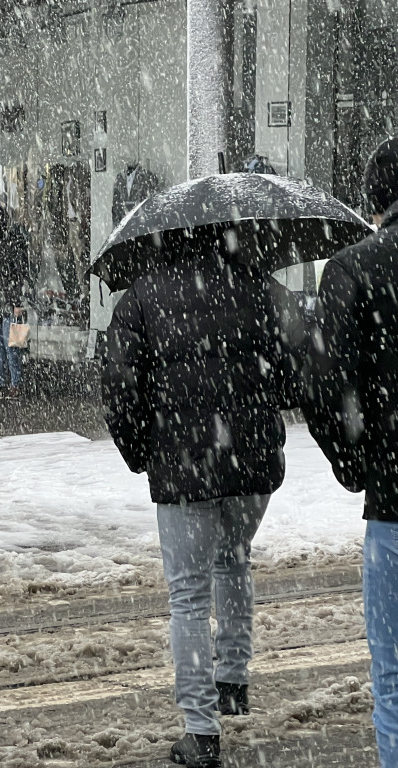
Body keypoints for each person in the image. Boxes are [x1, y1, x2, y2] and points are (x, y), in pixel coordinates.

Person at [102, 229, 305, 768]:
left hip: (183, 464)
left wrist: (141, 451)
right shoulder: (260, 287)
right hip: (252, 462)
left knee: (189, 596)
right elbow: (295, 366)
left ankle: (201, 731)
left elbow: (119, 384)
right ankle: (233, 680)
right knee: (234, 560)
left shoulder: (141, 297)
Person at [302, 137, 398, 768]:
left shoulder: (352, 269)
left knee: (391, 678)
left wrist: (354, 463)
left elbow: (322, 384)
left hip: (392, 503)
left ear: (373, 200)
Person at [0, 206, 30, 398]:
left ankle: (15, 382)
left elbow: (19, 274)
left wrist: (18, 302)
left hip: (9, 301)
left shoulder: (13, 243)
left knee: (13, 345)